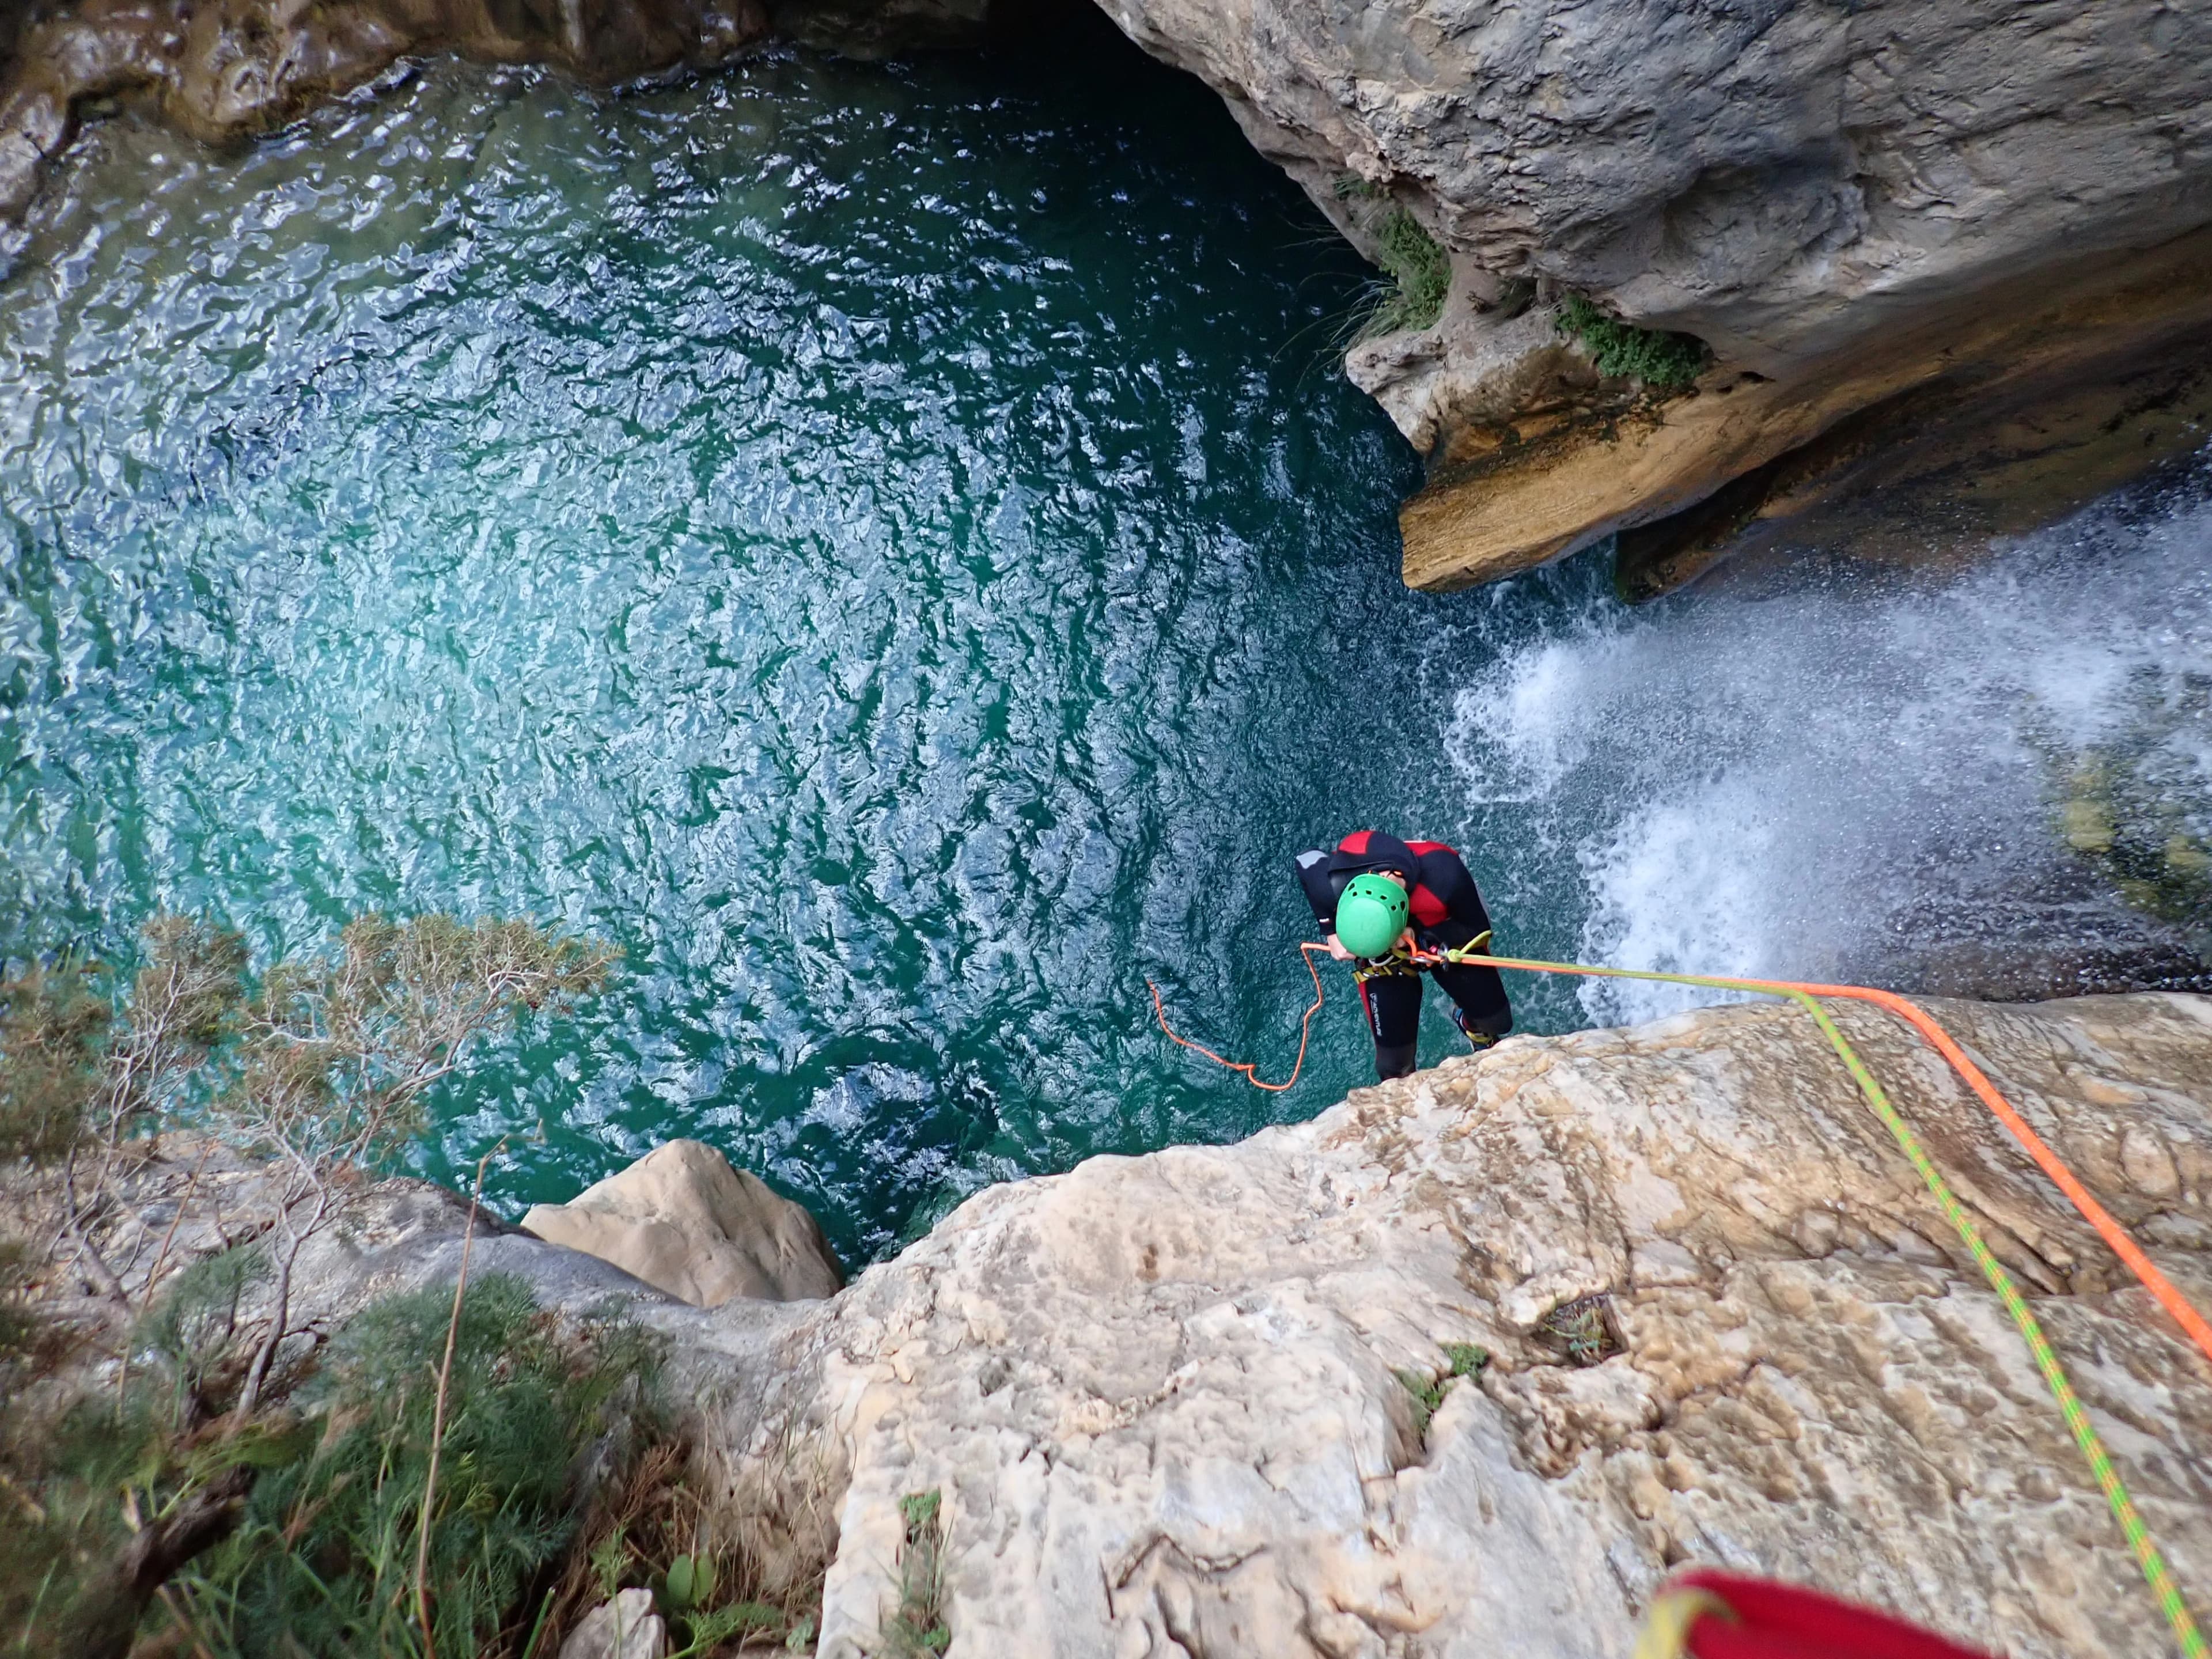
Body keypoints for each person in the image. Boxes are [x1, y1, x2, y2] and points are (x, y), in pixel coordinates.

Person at [1294, 830, 1512, 1081]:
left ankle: (1473, 1027)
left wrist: (1422, 936)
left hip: (1443, 935)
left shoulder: (1445, 875)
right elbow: (1306, 860)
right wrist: (1330, 930)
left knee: (1497, 1022)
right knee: (1394, 1069)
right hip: (1383, 959)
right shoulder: (1334, 883)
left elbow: (1478, 930)